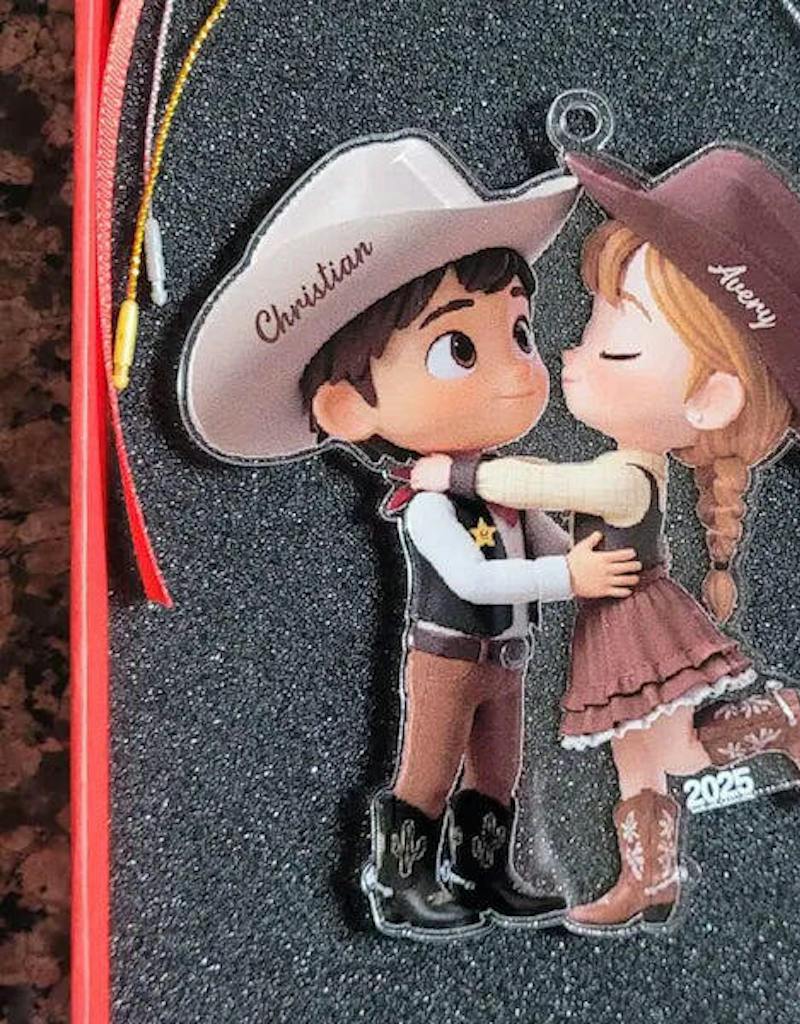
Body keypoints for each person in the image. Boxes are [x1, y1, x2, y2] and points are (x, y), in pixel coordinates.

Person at [180, 135, 639, 940]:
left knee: (496, 774)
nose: (518, 370)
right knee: (428, 772)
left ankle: (483, 871)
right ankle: (401, 882)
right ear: (350, 408)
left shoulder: (499, 485)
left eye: (520, 334)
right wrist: (570, 581)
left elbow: (544, 537)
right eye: (459, 349)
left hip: (509, 658)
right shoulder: (428, 506)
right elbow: (477, 578)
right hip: (449, 657)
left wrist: (594, 549)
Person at [412, 144, 800, 933]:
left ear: (710, 399)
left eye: (615, 347)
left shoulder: (625, 476)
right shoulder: (625, 469)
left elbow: (544, 487)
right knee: (642, 755)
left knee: (675, 751)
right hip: (614, 624)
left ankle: (777, 723)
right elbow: (551, 514)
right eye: (592, 331)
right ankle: (647, 880)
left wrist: (458, 476)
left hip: (633, 626)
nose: (574, 355)